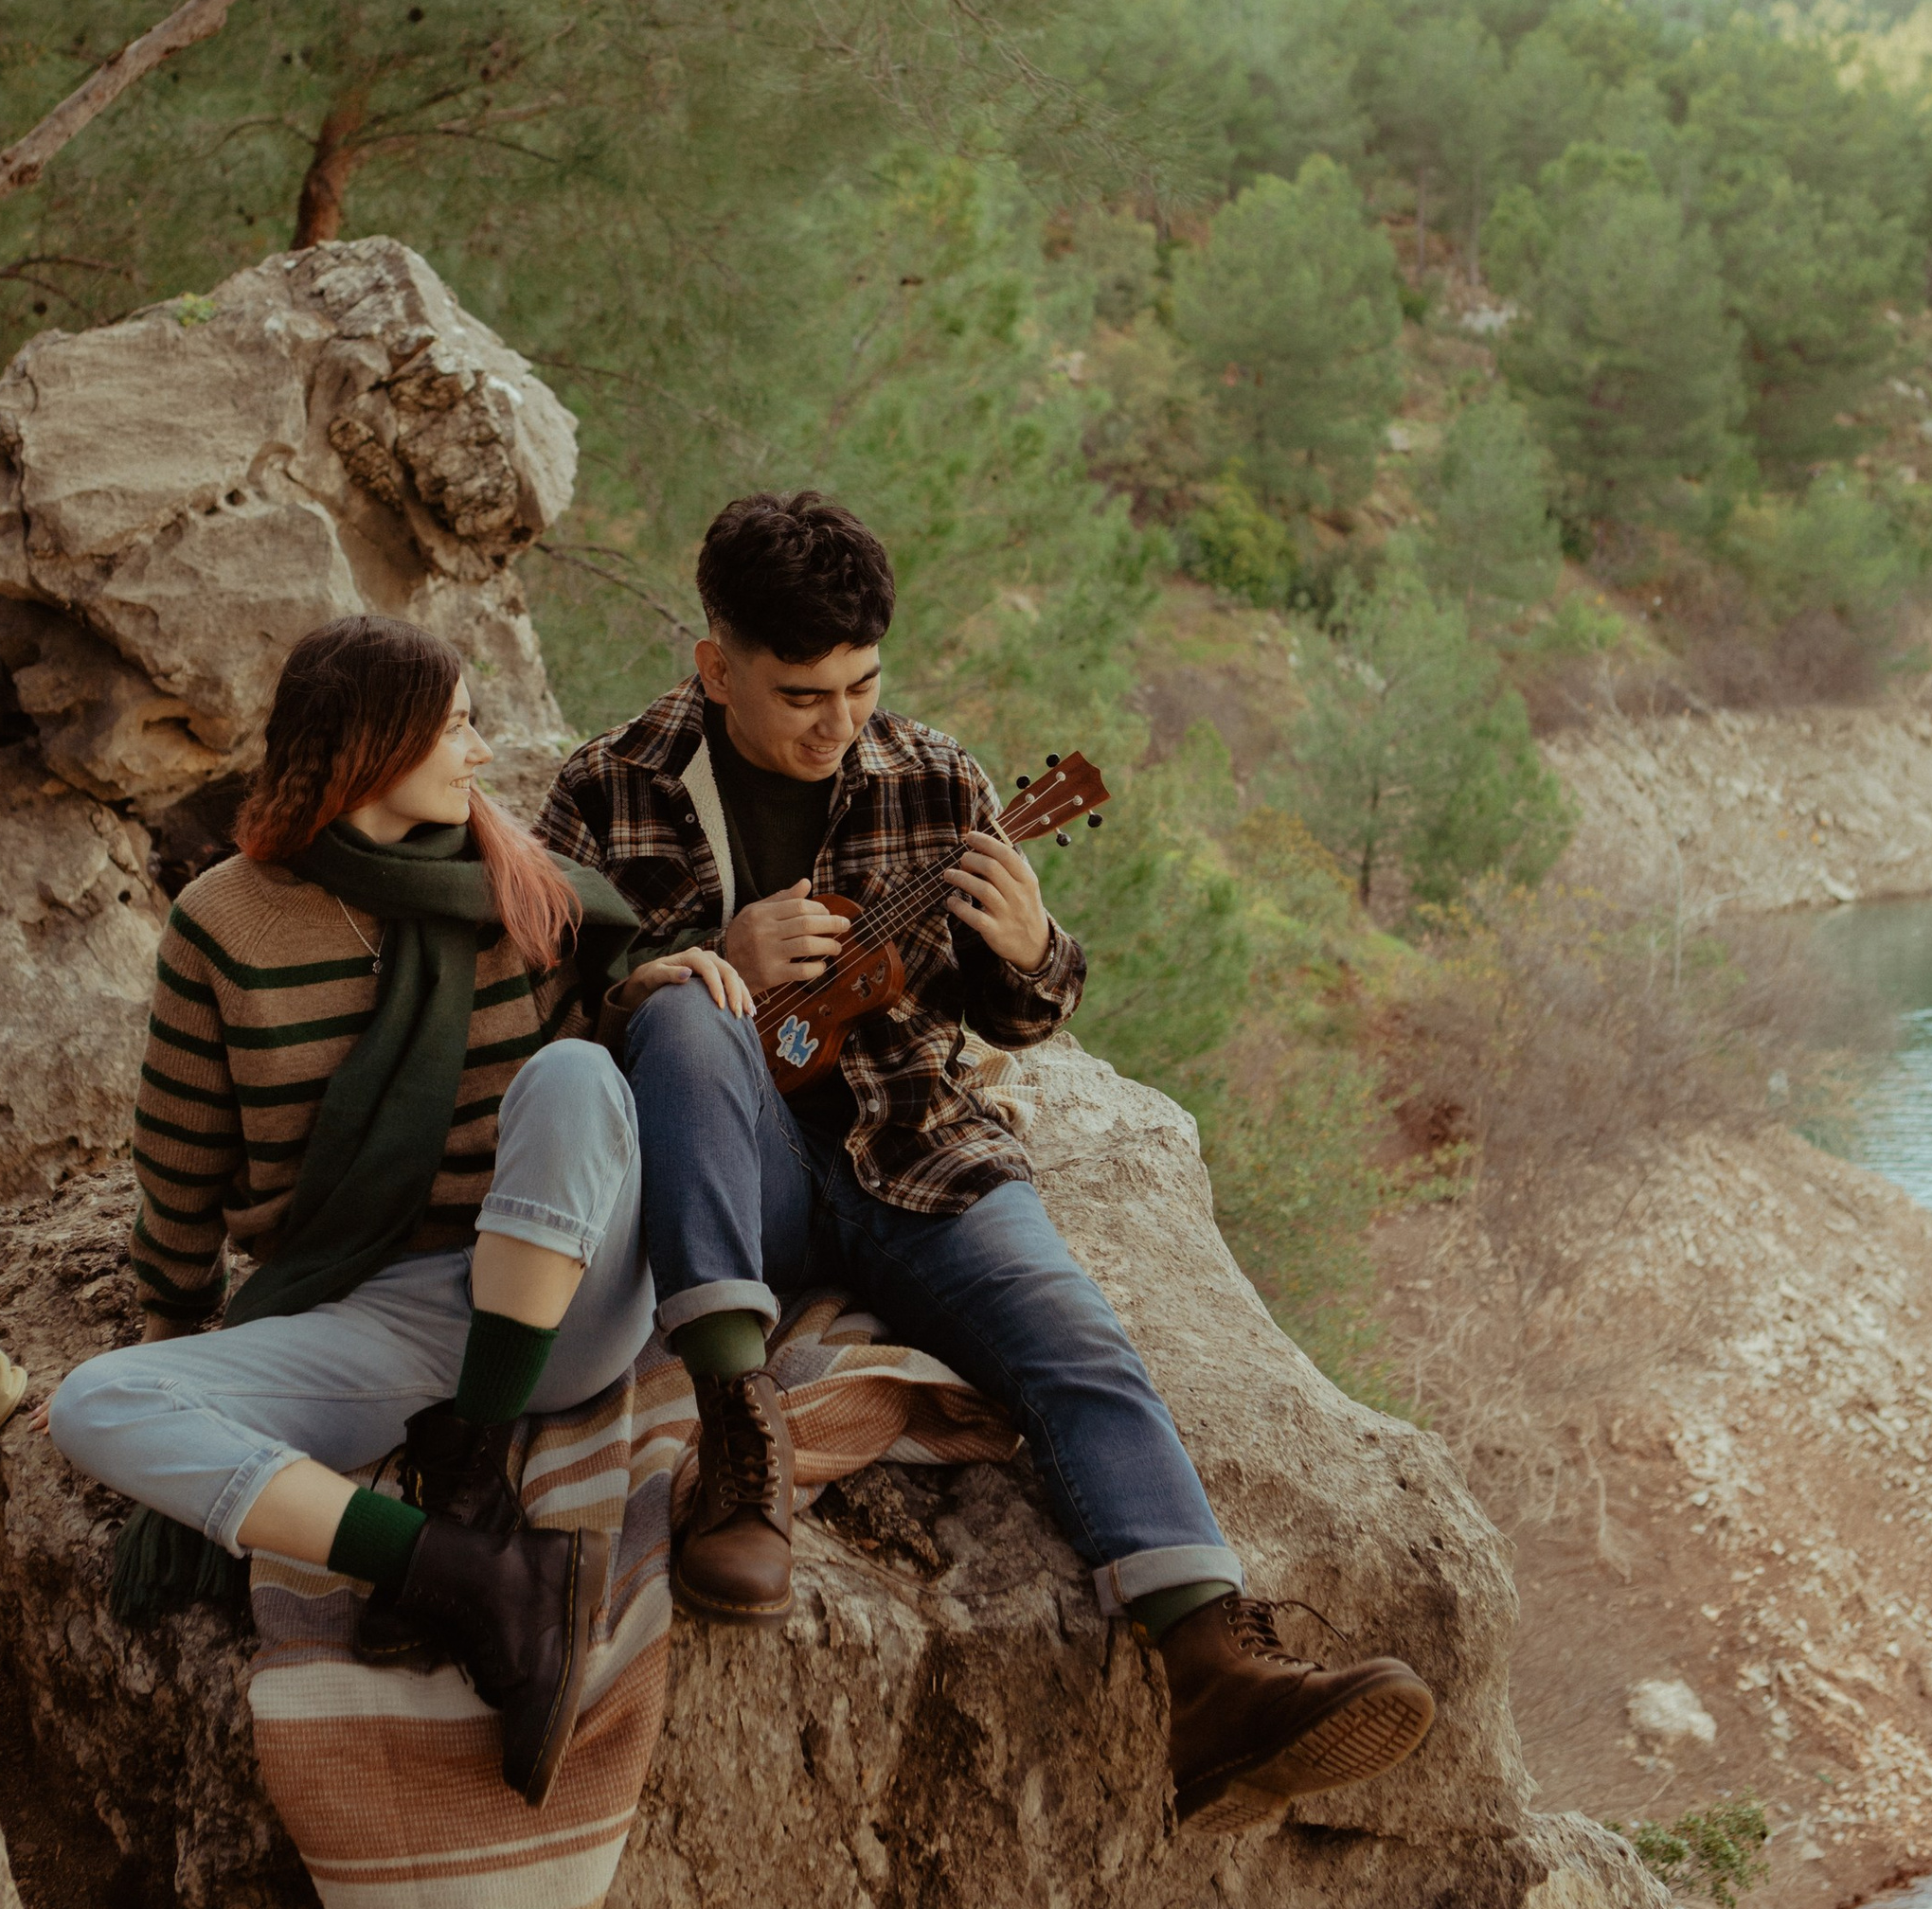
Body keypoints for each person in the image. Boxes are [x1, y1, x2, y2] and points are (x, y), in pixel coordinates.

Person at [534, 491, 1436, 1825]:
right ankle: (739, 1453)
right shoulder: (608, 788)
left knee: (1072, 1333)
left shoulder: (934, 779)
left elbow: (1021, 1013)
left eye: (862, 685)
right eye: (800, 695)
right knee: (682, 1017)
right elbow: (536, 1018)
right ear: (716, 667)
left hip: (912, 1150)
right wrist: (707, 963)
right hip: (731, 1184)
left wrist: (1031, 952)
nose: (839, 723)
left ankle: (1214, 1670)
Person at [46, 615, 747, 1805]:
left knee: (572, 1077)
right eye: (455, 726)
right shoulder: (224, 923)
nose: (478, 752)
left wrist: (648, 985)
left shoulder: (516, 881)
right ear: (372, 749)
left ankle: (470, 1464)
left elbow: (600, 1062)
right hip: (384, 1306)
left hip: (559, 1298)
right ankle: (464, 1571)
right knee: (96, 1404)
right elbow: (182, 1154)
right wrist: (175, 1325)